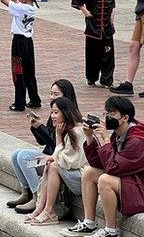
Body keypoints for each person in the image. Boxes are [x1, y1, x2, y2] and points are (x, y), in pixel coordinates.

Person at [65, 96, 144, 236]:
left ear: (125, 118)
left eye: (112, 114)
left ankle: (111, 230)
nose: (107, 118)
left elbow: (113, 168)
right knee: (89, 172)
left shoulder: (138, 140)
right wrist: (89, 137)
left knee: (105, 180)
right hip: (135, 179)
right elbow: (99, 163)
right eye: (106, 113)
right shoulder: (120, 133)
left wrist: (105, 140)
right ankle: (89, 223)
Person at [7, 80, 78, 213]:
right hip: (49, 155)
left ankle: (37, 195)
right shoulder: (55, 113)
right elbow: (42, 142)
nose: (52, 97)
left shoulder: (70, 118)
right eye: (51, 93)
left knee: (24, 157)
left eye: (56, 94)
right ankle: (26, 191)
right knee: (16, 154)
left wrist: (41, 128)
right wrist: (36, 127)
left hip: (56, 159)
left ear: (66, 96)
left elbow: (56, 144)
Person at [25, 97, 87, 226]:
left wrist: (52, 156)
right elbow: (58, 155)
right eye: (52, 112)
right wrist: (58, 136)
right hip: (72, 173)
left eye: (56, 112)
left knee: (53, 166)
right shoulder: (66, 130)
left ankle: (48, 210)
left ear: (66, 112)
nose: (53, 116)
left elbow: (71, 162)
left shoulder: (78, 131)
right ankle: (41, 207)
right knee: (50, 164)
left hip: (82, 177)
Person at [71, 0, 116, 88]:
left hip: (107, 28)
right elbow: (76, 0)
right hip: (93, 29)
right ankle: (91, 78)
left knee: (108, 54)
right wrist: (85, 11)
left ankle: (107, 80)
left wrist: (112, 21)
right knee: (92, 55)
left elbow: (113, 6)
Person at [0, 0, 41, 112]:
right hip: (29, 42)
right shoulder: (32, 6)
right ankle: (35, 99)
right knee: (30, 72)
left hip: (18, 42)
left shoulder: (21, 8)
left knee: (18, 72)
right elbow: (16, 1)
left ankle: (19, 103)